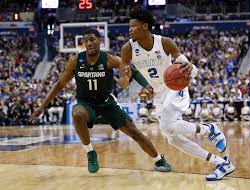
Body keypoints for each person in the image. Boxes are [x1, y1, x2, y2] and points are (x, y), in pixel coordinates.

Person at [30, 28, 171, 173]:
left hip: (107, 102)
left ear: (99, 41)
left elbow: (132, 70)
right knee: (77, 114)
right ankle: (90, 152)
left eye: (92, 39)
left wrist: (146, 85)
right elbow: (59, 84)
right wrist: (43, 106)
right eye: (85, 40)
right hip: (86, 102)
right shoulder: (75, 61)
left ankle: (158, 160)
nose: (89, 43)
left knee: (134, 132)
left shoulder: (109, 59)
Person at [119, 5, 235, 181]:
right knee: (173, 139)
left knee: (168, 126)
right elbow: (123, 82)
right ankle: (221, 163)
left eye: (133, 26)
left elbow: (192, 71)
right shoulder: (127, 49)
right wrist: (125, 79)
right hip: (159, 94)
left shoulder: (165, 42)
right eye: (129, 26)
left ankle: (208, 129)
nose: (130, 29)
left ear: (145, 26)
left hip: (175, 87)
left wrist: (191, 67)